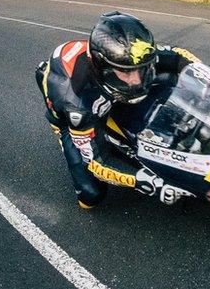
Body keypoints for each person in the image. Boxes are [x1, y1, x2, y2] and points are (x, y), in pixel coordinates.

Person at [35, 11, 200, 209]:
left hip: (98, 72)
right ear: (104, 68)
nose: (137, 79)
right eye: (127, 71)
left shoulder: (132, 55)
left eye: (140, 69)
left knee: (167, 77)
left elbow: (177, 55)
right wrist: (142, 180)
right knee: (90, 197)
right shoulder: (77, 103)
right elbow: (96, 162)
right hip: (69, 105)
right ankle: (71, 136)